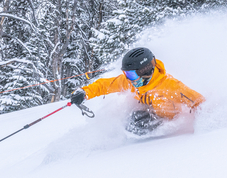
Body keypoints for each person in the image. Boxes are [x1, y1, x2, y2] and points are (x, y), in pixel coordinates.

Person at [69, 47, 205, 135]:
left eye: (132, 75)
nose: (129, 79)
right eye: (127, 74)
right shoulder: (132, 82)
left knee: (135, 124)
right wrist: (84, 92)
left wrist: (201, 126)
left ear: (146, 70)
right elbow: (105, 85)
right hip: (149, 115)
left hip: (168, 120)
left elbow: (199, 102)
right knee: (131, 123)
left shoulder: (171, 86)